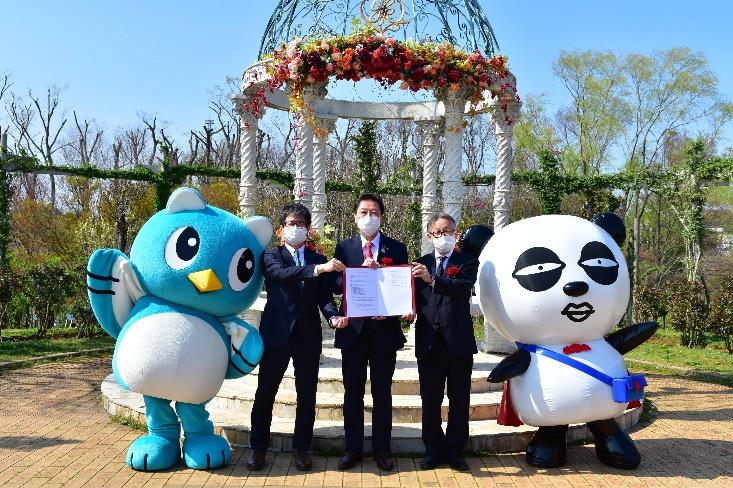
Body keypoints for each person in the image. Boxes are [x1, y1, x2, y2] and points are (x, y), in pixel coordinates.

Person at [247, 203, 345, 472]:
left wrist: (333, 317)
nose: (297, 228)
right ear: (281, 230)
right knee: (266, 392)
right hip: (276, 333)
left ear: (309, 229)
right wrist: (318, 270)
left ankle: (301, 449)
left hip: (308, 335)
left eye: (301, 224)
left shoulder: (317, 258)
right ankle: (258, 449)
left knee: (307, 395)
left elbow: (324, 297)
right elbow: (280, 275)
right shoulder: (271, 256)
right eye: (291, 223)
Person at [330, 193, 414, 471]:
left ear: (382, 217)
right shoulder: (344, 248)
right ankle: (352, 449)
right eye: (364, 212)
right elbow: (336, 286)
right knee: (352, 393)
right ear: (355, 217)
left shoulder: (396, 248)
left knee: (382, 392)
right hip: (353, 332)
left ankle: (382, 449)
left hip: (384, 332)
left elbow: (401, 286)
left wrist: (397, 309)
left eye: (374, 212)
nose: (369, 217)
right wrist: (355, 272)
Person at [411, 213, 479, 471]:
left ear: (456, 234)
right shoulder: (420, 263)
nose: (443, 237)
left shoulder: (468, 261)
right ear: (430, 236)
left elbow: (462, 287)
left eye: (448, 231)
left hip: (458, 340)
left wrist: (433, 280)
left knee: (459, 399)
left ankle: (454, 449)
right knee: (430, 399)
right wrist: (407, 309)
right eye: (437, 233)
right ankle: (432, 448)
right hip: (429, 341)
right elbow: (411, 296)